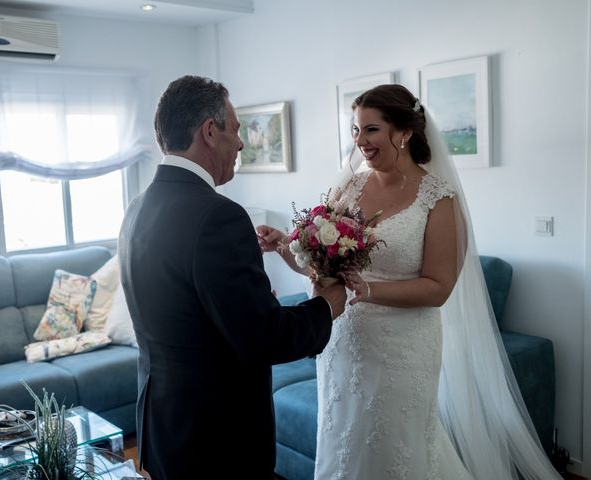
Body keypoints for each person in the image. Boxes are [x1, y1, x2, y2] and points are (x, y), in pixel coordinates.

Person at [257, 84, 561, 479]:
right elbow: (322, 269)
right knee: (343, 442)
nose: (360, 141)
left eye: (371, 129)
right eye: (355, 130)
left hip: (402, 348)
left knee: (397, 449)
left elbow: (439, 287)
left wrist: (370, 290)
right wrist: (286, 247)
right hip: (343, 343)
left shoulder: (438, 198)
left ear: (403, 132)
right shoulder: (349, 186)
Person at [117, 75, 347, 480]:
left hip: (163, 426)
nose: (241, 143)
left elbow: (186, 308)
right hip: (217, 441)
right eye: (236, 129)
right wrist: (327, 304)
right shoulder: (218, 215)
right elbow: (265, 337)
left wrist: (249, 301)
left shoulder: (137, 207)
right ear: (209, 131)